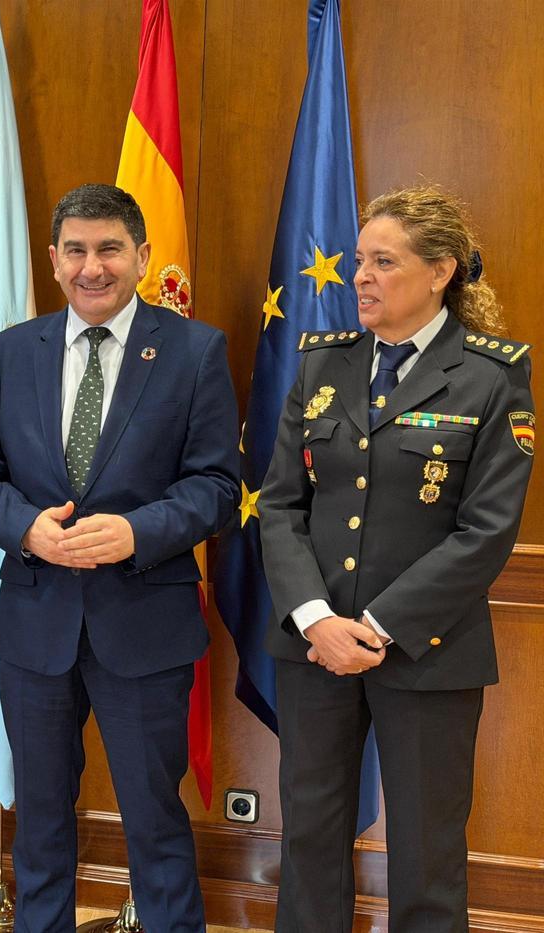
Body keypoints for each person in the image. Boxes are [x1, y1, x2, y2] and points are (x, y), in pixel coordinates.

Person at [0, 184, 239, 933]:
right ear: (52, 260)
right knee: (41, 822)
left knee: (154, 821)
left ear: (142, 256)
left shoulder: (194, 350)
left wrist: (138, 532)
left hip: (145, 625)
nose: (92, 266)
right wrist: (27, 529)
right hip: (37, 626)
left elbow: (216, 485)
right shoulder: (13, 352)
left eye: (109, 248)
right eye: (75, 249)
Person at [261, 184, 535, 932]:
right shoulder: (324, 367)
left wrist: (376, 628)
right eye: (359, 262)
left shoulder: (491, 376)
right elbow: (279, 504)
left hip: (427, 652)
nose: (362, 278)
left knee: (426, 852)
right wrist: (318, 619)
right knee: (311, 839)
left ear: (442, 270)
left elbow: (485, 531)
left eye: (385, 261)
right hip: (313, 649)